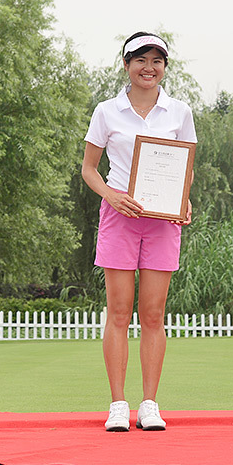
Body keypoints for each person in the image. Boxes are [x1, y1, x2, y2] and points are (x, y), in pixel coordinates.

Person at [81, 32, 196, 432]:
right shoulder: (107, 111)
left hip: (163, 221)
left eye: (157, 61)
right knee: (117, 311)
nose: (149, 68)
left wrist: (184, 199)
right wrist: (112, 197)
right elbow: (89, 169)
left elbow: (187, 165)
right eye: (140, 60)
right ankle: (117, 404)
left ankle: (149, 404)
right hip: (119, 217)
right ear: (126, 64)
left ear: (165, 67)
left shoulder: (178, 112)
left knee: (152, 313)